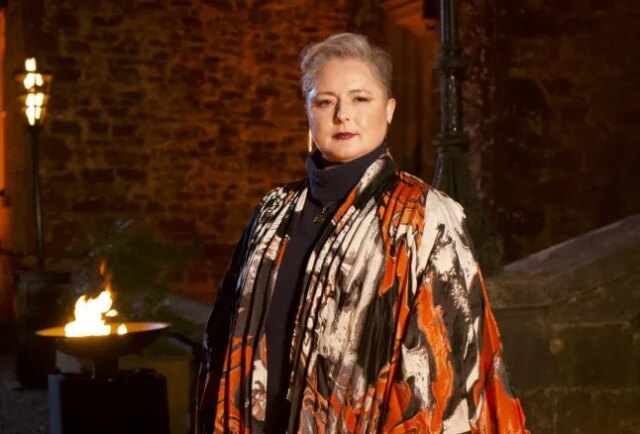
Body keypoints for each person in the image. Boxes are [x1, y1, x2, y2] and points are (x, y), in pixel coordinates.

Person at [196, 33, 528, 434]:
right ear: (308, 111)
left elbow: (454, 373)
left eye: (360, 99)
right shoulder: (273, 212)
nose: (342, 115)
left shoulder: (424, 217)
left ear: (389, 110)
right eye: (325, 101)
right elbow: (222, 346)